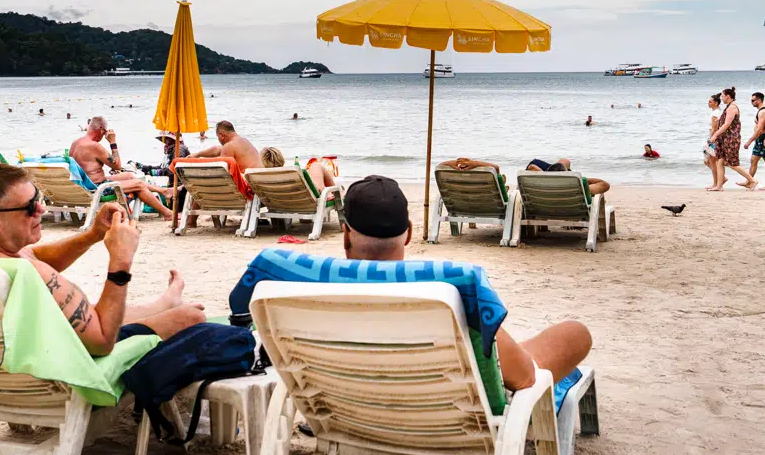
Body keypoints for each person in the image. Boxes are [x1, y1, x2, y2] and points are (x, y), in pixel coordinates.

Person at [340, 176, 591, 390]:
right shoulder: (450, 295)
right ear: (409, 233)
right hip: (446, 420)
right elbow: (525, 378)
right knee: (574, 333)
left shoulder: (311, 292)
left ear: (345, 235)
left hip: (351, 408)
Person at [0, 164, 205, 356]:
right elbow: (101, 341)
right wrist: (120, 262)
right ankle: (171, 308)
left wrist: (92, 235)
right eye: (30, 206)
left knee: (93, 307)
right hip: (54, 364)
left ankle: (164, 303)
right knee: (192, 318)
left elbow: (33, 254)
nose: (41, 208)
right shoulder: (31, 273)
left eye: (38, 198)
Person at [69, 116, 176, 220]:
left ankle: (163, 191)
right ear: (102, 130)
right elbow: (117, 165)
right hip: (97, 189)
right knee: (138, 185)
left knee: (129, 175)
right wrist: (112, 142)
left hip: (84, 185)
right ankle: (167, 213)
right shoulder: (94, 146)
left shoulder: (76, 143)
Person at [708, 87, 756, 191]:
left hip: (731, 139)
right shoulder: (728, 107)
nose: (721, 98)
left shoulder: (732, 107)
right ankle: (719, 186)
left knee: (732, 164)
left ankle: (752, 180)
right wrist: (719, 119)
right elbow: (725, 121)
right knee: (720, 161)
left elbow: (727, 124)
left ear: (728, 96)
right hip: (724, 138)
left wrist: (715, 135)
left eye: (722, 96)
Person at [192, 120, 262, 172]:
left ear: (222, 135)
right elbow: (216, 149)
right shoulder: (243, 140)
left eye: (217, 136)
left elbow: (221, 171)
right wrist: (197, 155)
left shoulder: (229, 146)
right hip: (256, 178)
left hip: (248, 184)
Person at [261, 147, 336, 192]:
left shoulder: (260, 179)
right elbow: (317, 190)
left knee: (310, 171)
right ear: (281, 160)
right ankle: (338, 193)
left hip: (279, 201)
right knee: (316, 165)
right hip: (308, 201)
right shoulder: (292, 175)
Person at [525, 157, 610, 195]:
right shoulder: (576, 188)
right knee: (565, 161)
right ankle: (559, 170)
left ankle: (555, 171)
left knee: (564, 161)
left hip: (546, 188)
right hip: (567, 190)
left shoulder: (541, 187)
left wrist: (547, 175)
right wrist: (579, 179)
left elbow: (531, 166)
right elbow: (604, 184)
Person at [743, 91, 765, 182]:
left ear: (759, 100)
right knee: (755, 160)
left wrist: (749, 141)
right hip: (761, 138)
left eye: (753, 100)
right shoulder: (762, 110)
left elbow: (760, 129)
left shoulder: (763, 111)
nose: (751, 102)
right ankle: (749, 181)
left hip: (763, 138)